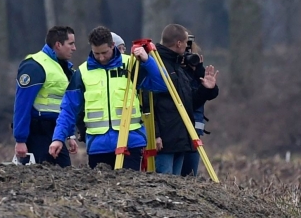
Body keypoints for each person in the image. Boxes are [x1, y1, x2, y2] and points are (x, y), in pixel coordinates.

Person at [77, 25, 166, 168]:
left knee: (128, 189)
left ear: (113, 45)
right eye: (96, 53)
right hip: (98, 146)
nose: (101, 57)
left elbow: (162, 84)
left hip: (131, 142)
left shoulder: (130, 64)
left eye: (104, 52)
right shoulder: (83, 71)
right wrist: (60, 137)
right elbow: (69, 108)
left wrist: (147, 61)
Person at [148, 23, 219, 177]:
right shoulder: (156, 65)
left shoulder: (178, 66)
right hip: (165, 139)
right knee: (164, 182)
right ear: (179, 43)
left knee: (179, 186)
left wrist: (205, 88)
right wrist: (155, 134)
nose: (189, 47)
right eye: (187, 43)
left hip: (181, 136)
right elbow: (149, 103)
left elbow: (188, 102)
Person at [13, 25, 82, 166]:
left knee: (64, 175)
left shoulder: (62, 66)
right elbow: (22, 104)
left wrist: (70, 134)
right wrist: (20, 140)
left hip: (55, 131)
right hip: (38, 133)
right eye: (71, 44)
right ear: (58, 45)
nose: (74, 48)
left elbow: (64, 104)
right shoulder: (35, 66)